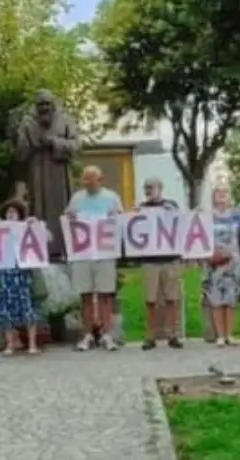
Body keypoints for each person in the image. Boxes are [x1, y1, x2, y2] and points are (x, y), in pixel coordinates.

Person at [14, 90, 80, 259]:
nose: (44, 108)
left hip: (59, 171)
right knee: (38, 209)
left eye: (47, 104)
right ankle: (42, 249)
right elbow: (20, 153)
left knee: (62, 209)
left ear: (53, 104)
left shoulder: (66, 119)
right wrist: (27, 144)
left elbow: (76, 145)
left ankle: (63, 248)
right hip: (37, 172)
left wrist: (54, 142)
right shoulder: (27, 122)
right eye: (40, 104)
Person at [65, 165, 123, 351]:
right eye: (85, 179)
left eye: (91, 178)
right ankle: (88, 334)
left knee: (106, 294)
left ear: (100, 179)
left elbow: (121, 219)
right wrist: (70, 217)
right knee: (86, 295)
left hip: (104, 252)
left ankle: (107, 334)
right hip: (83, 253)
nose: (88, 182)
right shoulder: (77, 198)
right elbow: (68, 218)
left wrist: (115, 217)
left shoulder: (111, 197)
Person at [136, 178, 183, 350]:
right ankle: (151, 335)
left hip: (169, 258)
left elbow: (180, 221)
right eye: (146, 187)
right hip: (150, 260)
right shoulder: (141, 209)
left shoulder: (170, 206)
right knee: (150, 299)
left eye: (151, 187)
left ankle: (173, 334)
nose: (148, 191)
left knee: (172, 298)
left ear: (160, 189)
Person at [0, 200, 43, 355]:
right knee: (5, 308)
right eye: (8, 212)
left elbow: (45, 238)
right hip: (5, 274)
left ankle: (32, 344)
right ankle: (10, 343)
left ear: (20, 214)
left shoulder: (26, 227)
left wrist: (36, 224)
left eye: (14, 212)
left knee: (28, 307)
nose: (10, 214)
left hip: (22, 273)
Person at [202, 184, 240, 345]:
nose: (222, 195)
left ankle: (230, 334)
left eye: (225, 191)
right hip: (214, 262)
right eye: (218, 192)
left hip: (233, 262)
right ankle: (219, 335)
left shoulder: (237, 215)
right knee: (216, 299)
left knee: (231, 299)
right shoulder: (206, 216)